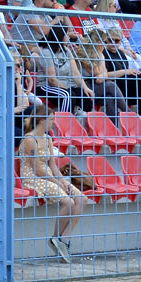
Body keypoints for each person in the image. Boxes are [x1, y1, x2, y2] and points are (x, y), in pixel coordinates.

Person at [19, 110, 85, 261]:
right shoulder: (30, 139)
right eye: (51, 119)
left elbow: (53, 165)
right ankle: (56, 237)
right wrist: (56, 182)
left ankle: (64, 239)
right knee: (68, 202)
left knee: (81, 198)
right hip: (33, 178)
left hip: (48, 176)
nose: (54, 122)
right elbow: (37, 169)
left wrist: (63, 180)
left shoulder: (48, 138)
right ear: (41, 120)